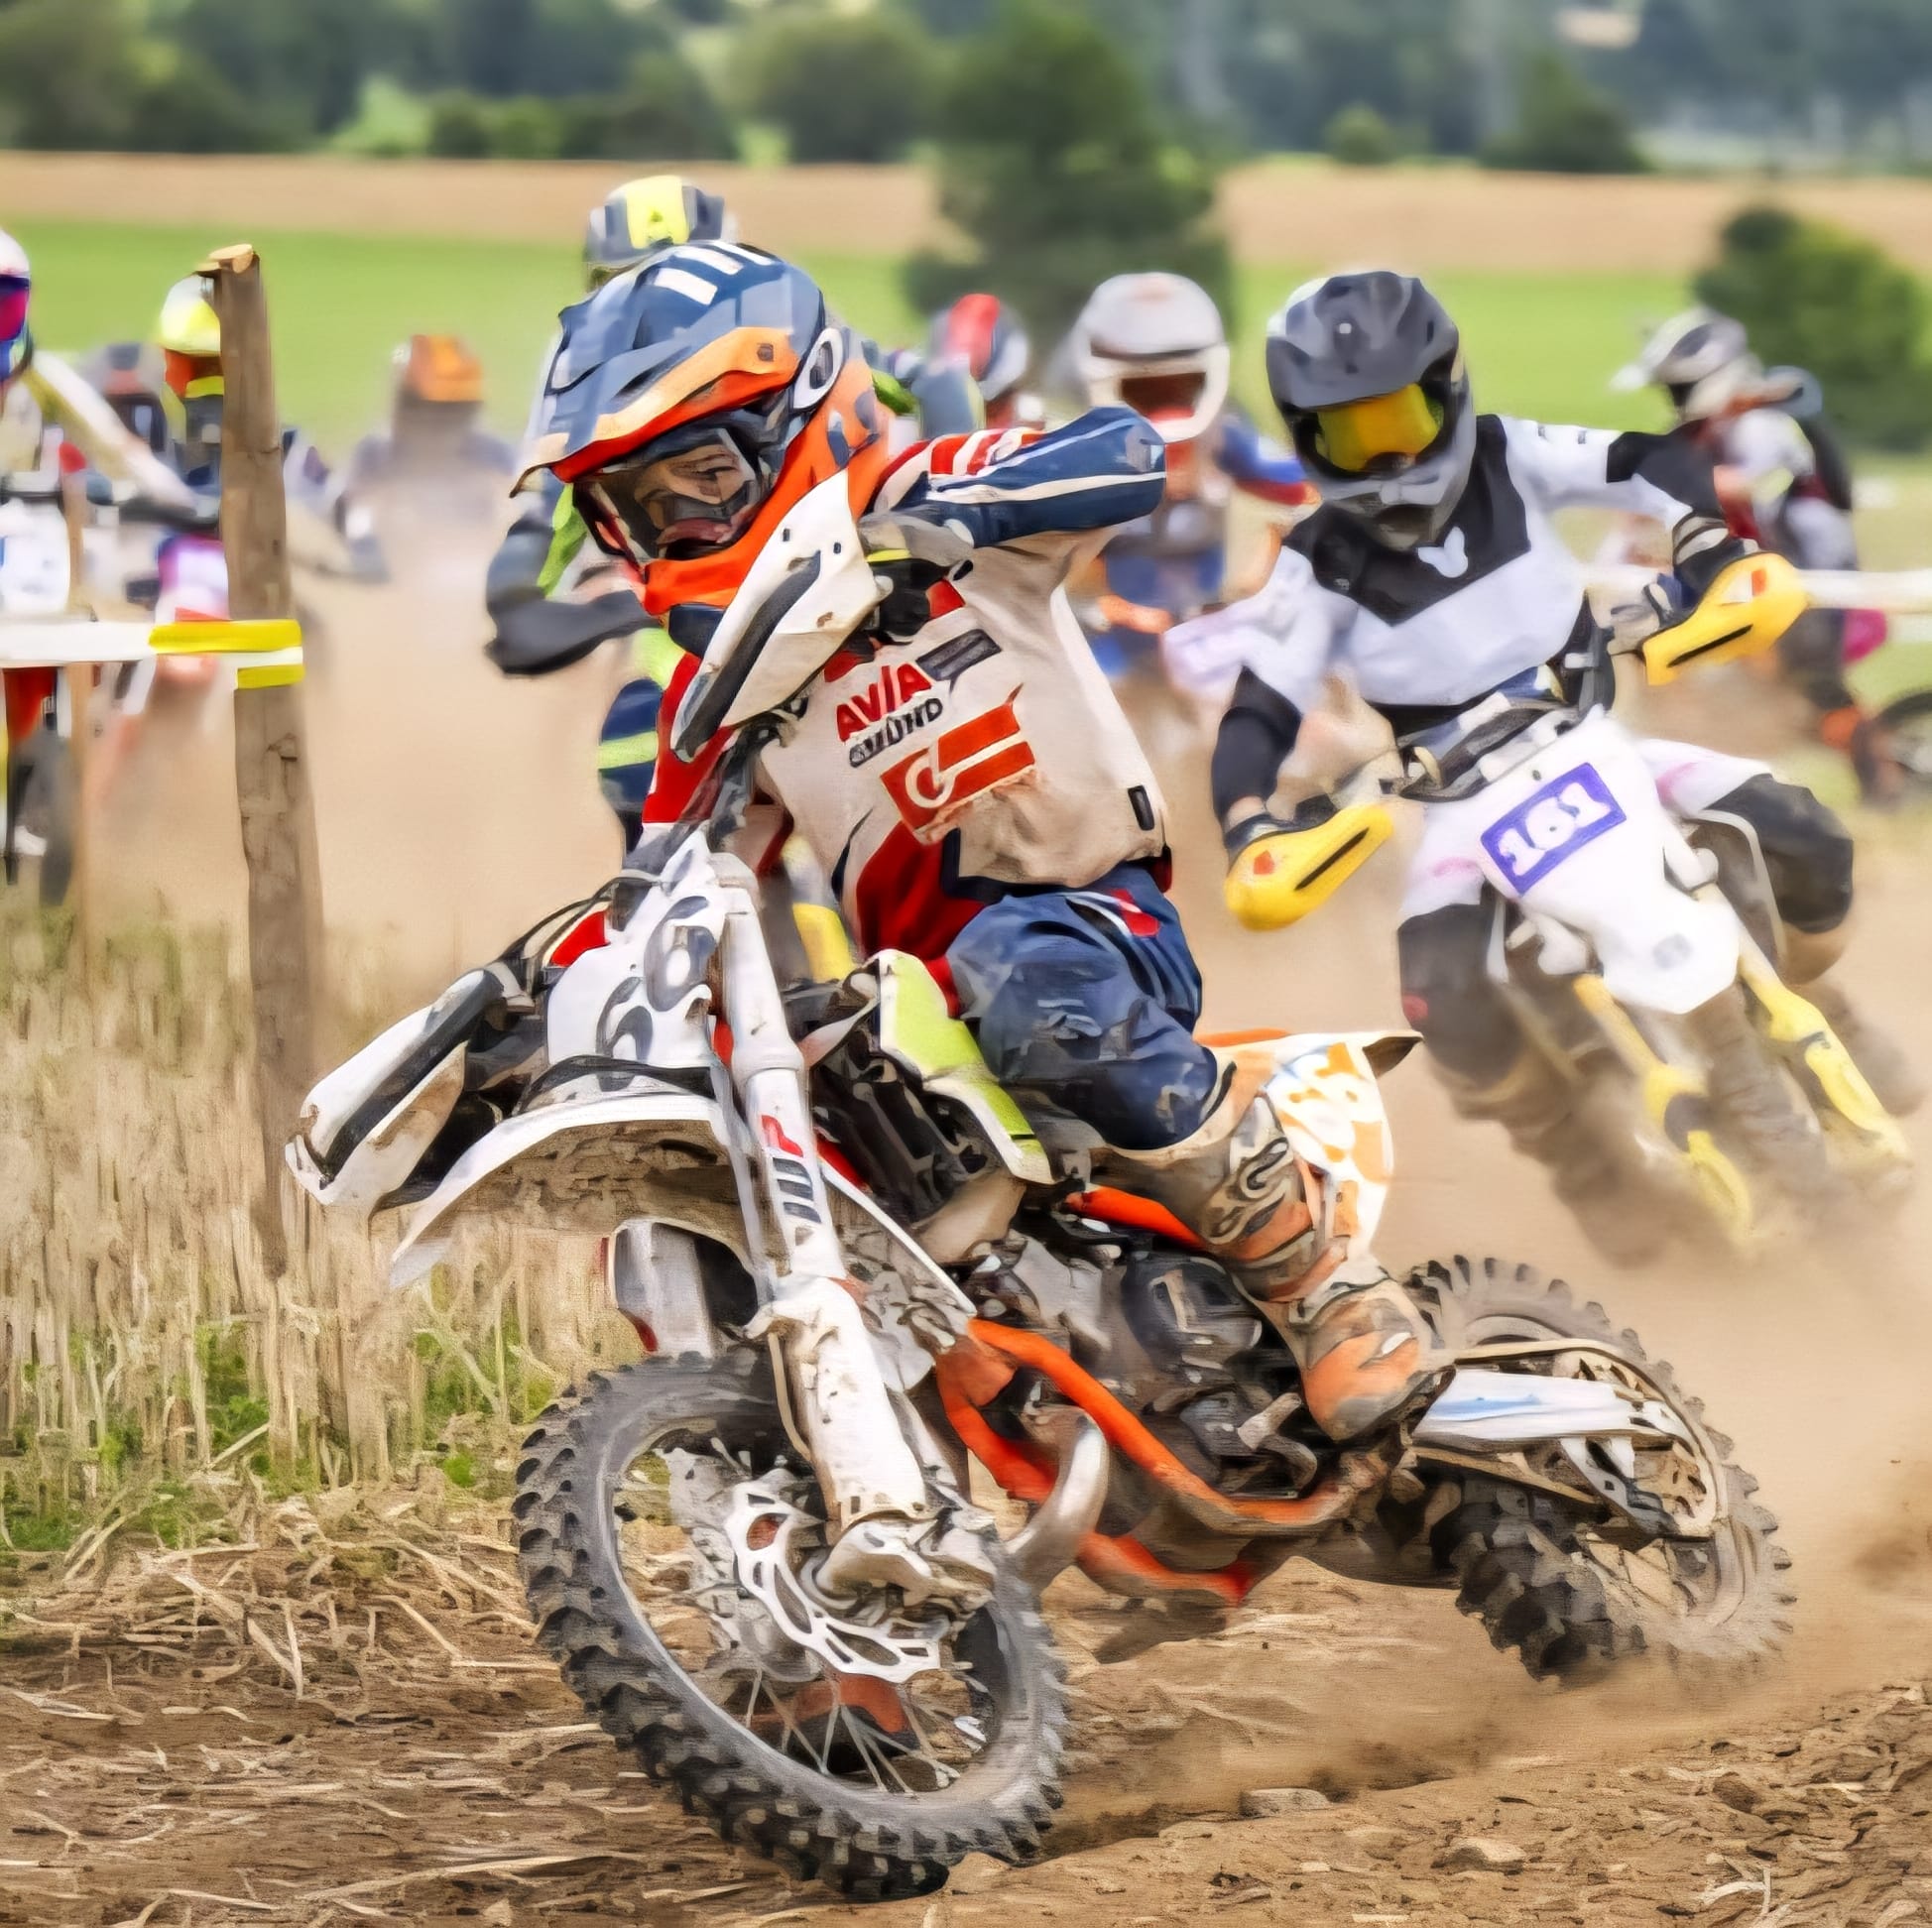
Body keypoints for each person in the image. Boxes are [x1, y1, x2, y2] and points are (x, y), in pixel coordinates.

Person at [516, 246, 1452, 1594]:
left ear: (803, 413)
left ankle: (1321, 1285)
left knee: (1017, 968)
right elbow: (662, 884)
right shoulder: (712, 696)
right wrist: (549, 1008)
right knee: (746, 1146)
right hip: (916, 1013)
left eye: (701, 478)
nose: (675, 526)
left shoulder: (929, 498)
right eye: (636, 505)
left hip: (1085, 919)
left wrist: (950, 511)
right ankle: (841, 1550)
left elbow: (1122, 454)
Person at [1207, 270, 1916, 1227]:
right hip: (1457, 808)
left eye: (1400, 420)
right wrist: (1249, 824)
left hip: (1592, 738)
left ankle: (1822, 997)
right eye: (1352, 434)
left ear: (1447, 391)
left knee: (1801, 831)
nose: (1386, 456)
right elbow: (1257, 711)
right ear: (1307, 437)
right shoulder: (1312, 564)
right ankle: (1578, 1159)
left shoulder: (1512, 453)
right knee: (1440, 999)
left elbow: (1648, 460)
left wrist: (1709, 546)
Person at [486, 176, 742, 847]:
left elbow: (919, 391)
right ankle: (657, 887)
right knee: (636, 739)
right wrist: (627, 604)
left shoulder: (802, 353)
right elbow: (522, 590)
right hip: (686, 640)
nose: (651, 319)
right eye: (625, 292)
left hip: (828, 623)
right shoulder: (583, 409)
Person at [1613, 307, 1892, 798]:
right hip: (1761, 580)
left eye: (1677, 388)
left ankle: (1887, 783)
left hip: (1809, 580)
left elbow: (1741, 488)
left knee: (1810, 697)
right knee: (1770, 691)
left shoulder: (1761, 424)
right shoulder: (1708, 433)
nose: (1672, 400)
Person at [1066, 272, 1312, 682]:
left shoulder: (1228, 443)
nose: (1167, 415)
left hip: (1214, 643)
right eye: (1143, 392)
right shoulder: (1079, 464)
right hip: (1112, 642)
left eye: (1181, 388)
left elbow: (1303, 486)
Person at [154, 273, 385, 580]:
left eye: (220, 366)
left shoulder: (284, 448)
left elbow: (341, 505)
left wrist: (364, 547)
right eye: (197, 367)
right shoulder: (149, 440)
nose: (210, 385)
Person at [350, 334, 517, 486]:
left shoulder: (493, 456)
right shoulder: (374, 456)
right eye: (429, 409)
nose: (439, 421)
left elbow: (518, 501)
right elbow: (344, 503)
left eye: (453, 410)